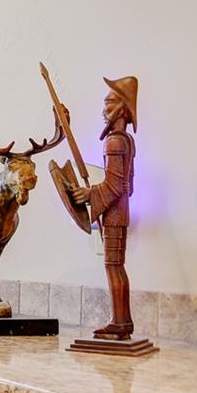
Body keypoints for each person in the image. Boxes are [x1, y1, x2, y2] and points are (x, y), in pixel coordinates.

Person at [68, 77, 139, 339]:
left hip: (114, 214)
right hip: (120, 212)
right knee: (117, 265)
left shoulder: (114, 142)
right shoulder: (127, 140)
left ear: (122, 108)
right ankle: (123, 320)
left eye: (108, 103)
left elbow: (116, 185)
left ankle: (120, 322)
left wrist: (89, 194)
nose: (103, 111)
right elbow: (128, 186)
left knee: (113, 265)